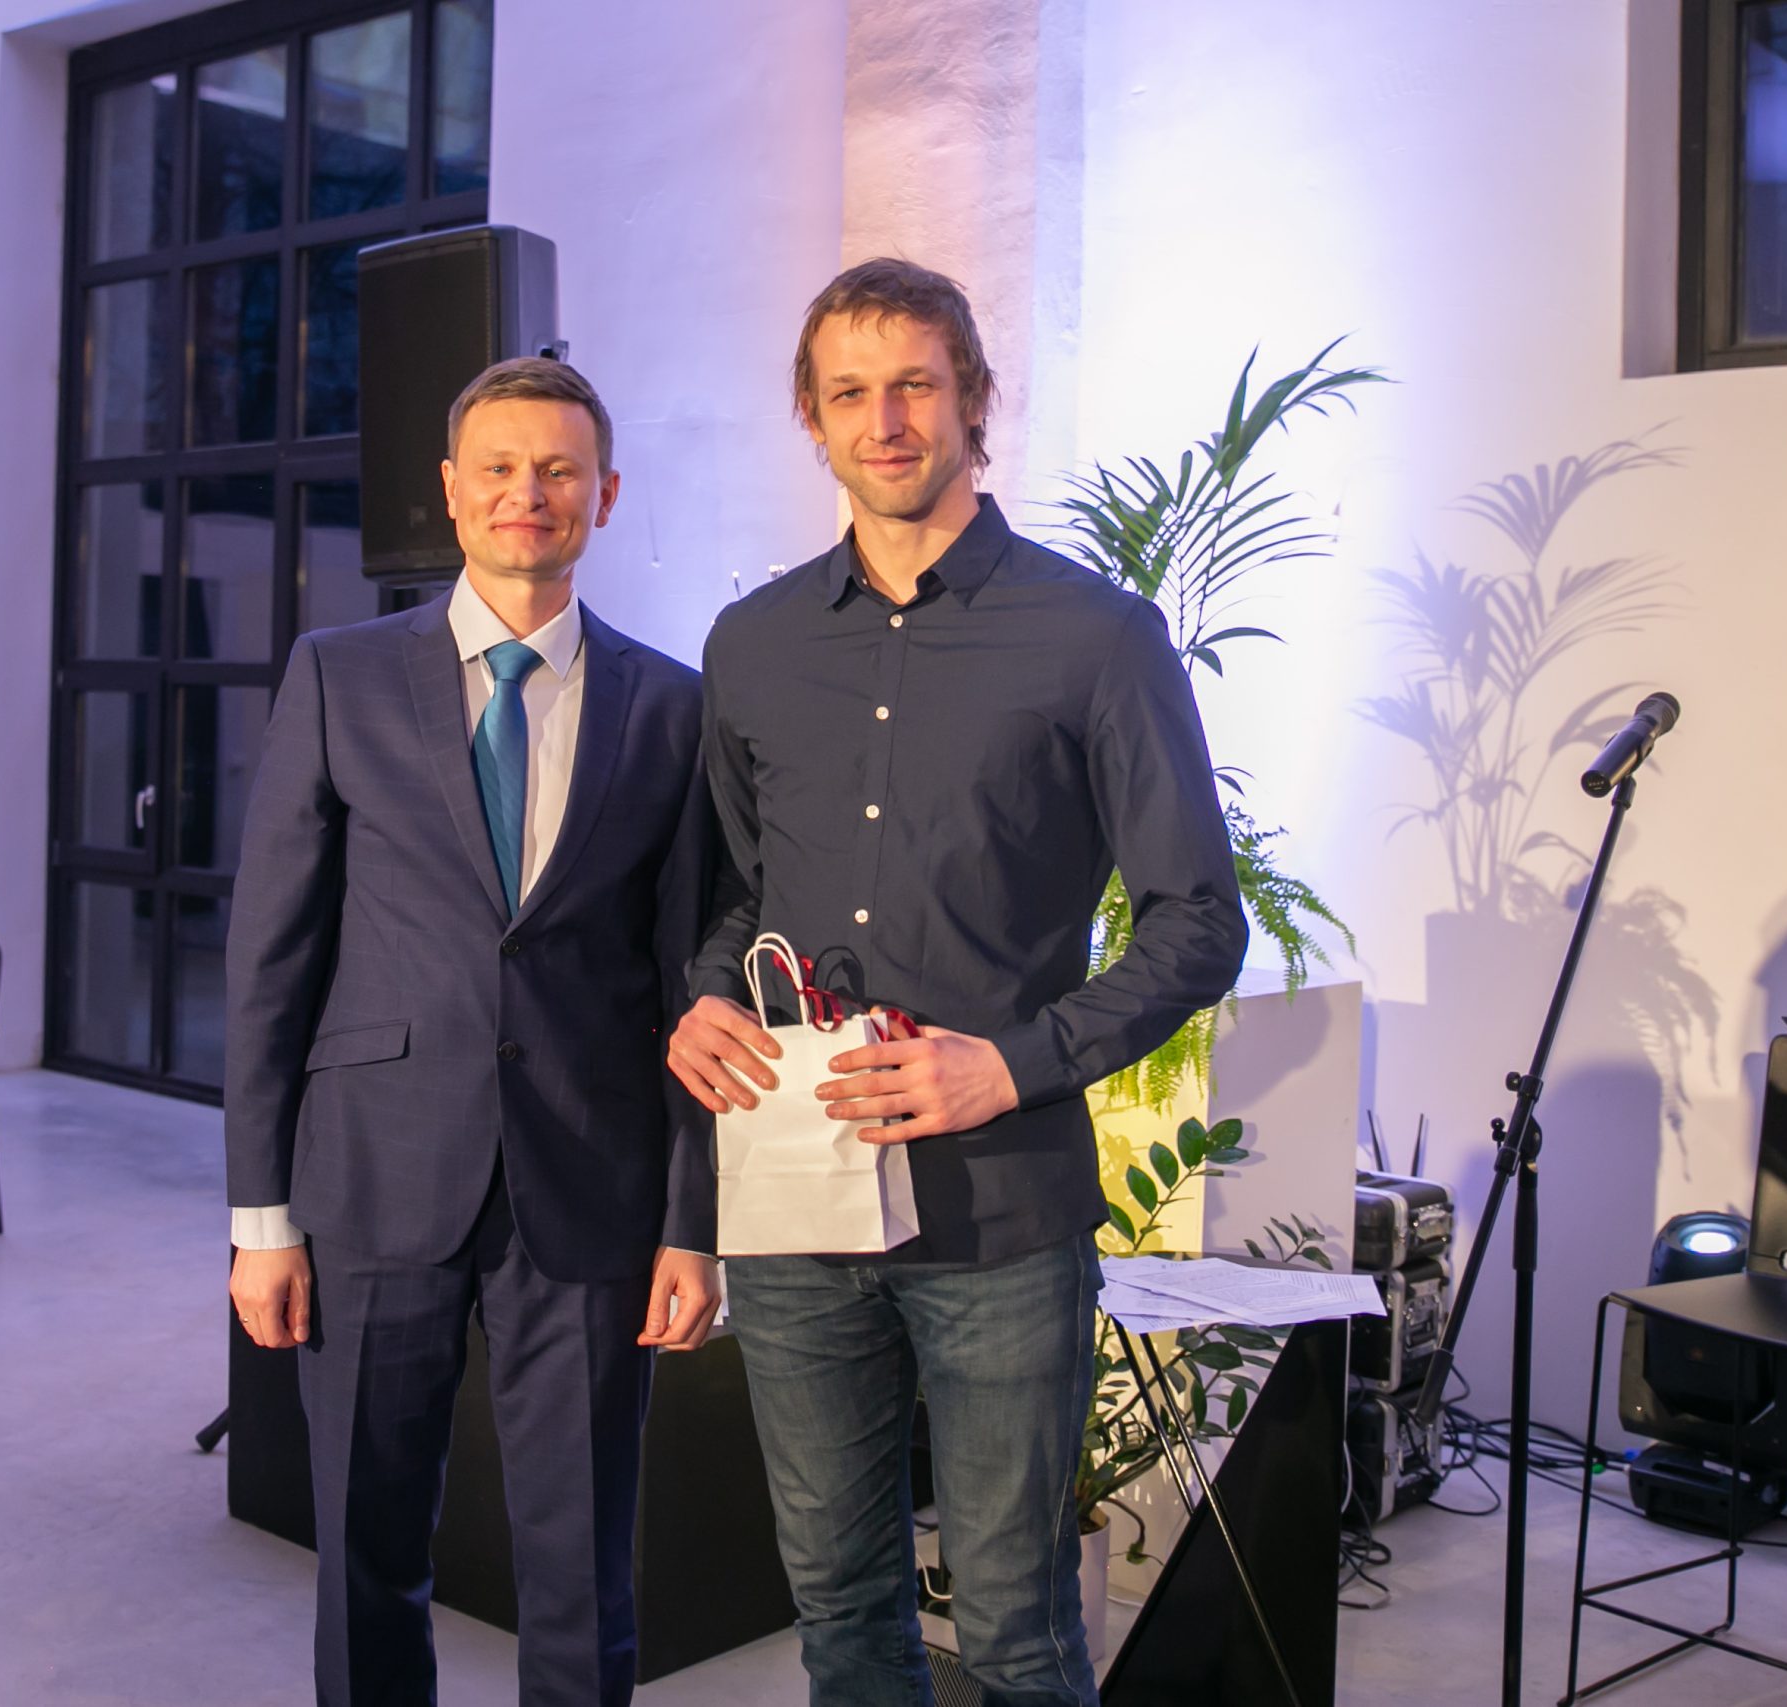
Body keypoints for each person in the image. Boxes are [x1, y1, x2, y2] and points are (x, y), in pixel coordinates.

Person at [666, 259, 1249, 1706]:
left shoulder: (1097, 635)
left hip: (1001, 1214)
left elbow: (1197, 922)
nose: (885, 420)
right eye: (850, 392)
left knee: (1017, 1633)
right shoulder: (751, 644)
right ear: (812, 418)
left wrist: (1012, 1062)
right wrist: (709, 994)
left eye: (914, 384)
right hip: (796, 1213)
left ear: (974, 398)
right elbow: (735, 897)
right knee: (841, 1614)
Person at [224, 356, 722, 1707]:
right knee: (366, 1551)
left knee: (584, 1564)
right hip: (371, 1175)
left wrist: (692, 1223)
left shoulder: (673, 707)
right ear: (450, 491)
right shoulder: (338, 675)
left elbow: (690, 984)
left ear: (603, 495)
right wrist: (259, 1216)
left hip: (593, 1187)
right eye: (498, 468)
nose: (527, 494)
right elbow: (271, 958)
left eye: (558, 470)